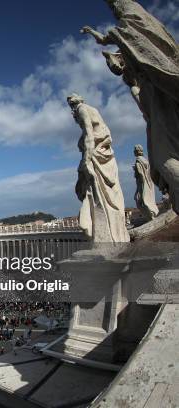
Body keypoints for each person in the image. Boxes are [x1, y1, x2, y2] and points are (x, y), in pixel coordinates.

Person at [81, 0, 179, 213]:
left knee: (165, 159)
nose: (114, 11)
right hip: (157, 102)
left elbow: (115, 38)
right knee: (162, 160)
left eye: (114, 7)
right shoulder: (129, 33)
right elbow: (109, 40)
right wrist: (93, 33)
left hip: (160, 101)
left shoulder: (129, 25)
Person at [68, 93, 130, 243]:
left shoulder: (81, 110)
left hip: (95, 156)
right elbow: (108, 135)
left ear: (74, 106)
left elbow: (89, 134)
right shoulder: (93, 109)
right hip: (103, 153)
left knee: (94, 194)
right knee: (106, 194)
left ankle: (102, 235)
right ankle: (113, 234)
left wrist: (86, 159)